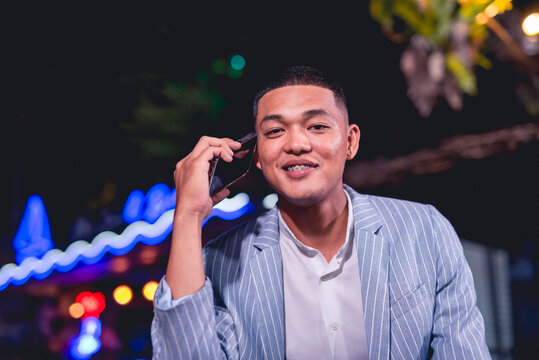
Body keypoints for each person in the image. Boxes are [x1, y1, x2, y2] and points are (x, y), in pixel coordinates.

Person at [151, 66, 491, 359]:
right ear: (256, 155)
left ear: (350, 142)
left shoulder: (424, 231)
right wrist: (187, 215)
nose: (296, 143)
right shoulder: (220, 262)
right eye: (274, 131)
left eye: (317, 126)